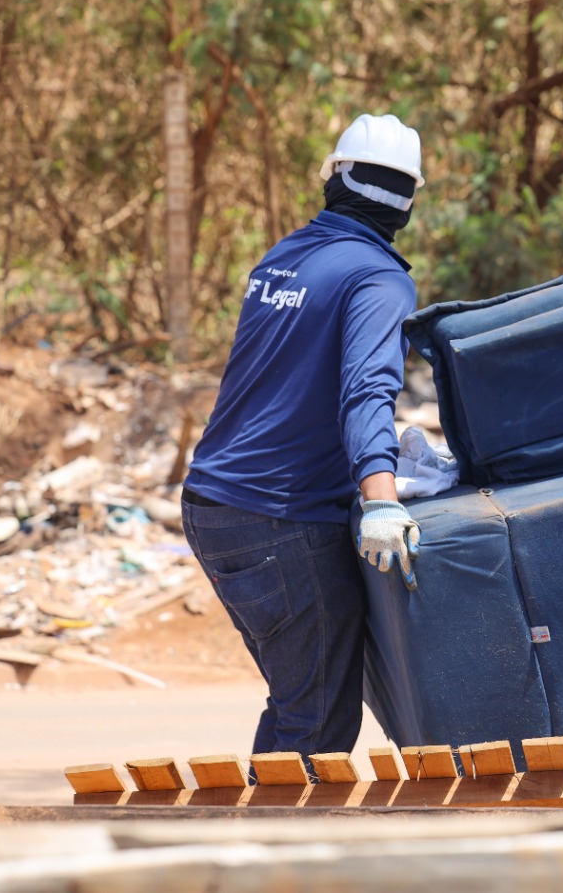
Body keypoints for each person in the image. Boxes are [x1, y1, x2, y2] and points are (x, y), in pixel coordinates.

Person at [181, 113, 426, 762]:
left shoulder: (284, 257)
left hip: (212, 504)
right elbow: (367, 391)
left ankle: (257, 843)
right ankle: (268, 858)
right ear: (409, 203)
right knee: (314, 719)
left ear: (332, 178)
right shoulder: (378, 280)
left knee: (301, 701)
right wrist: (381, 499)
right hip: (276, 521)